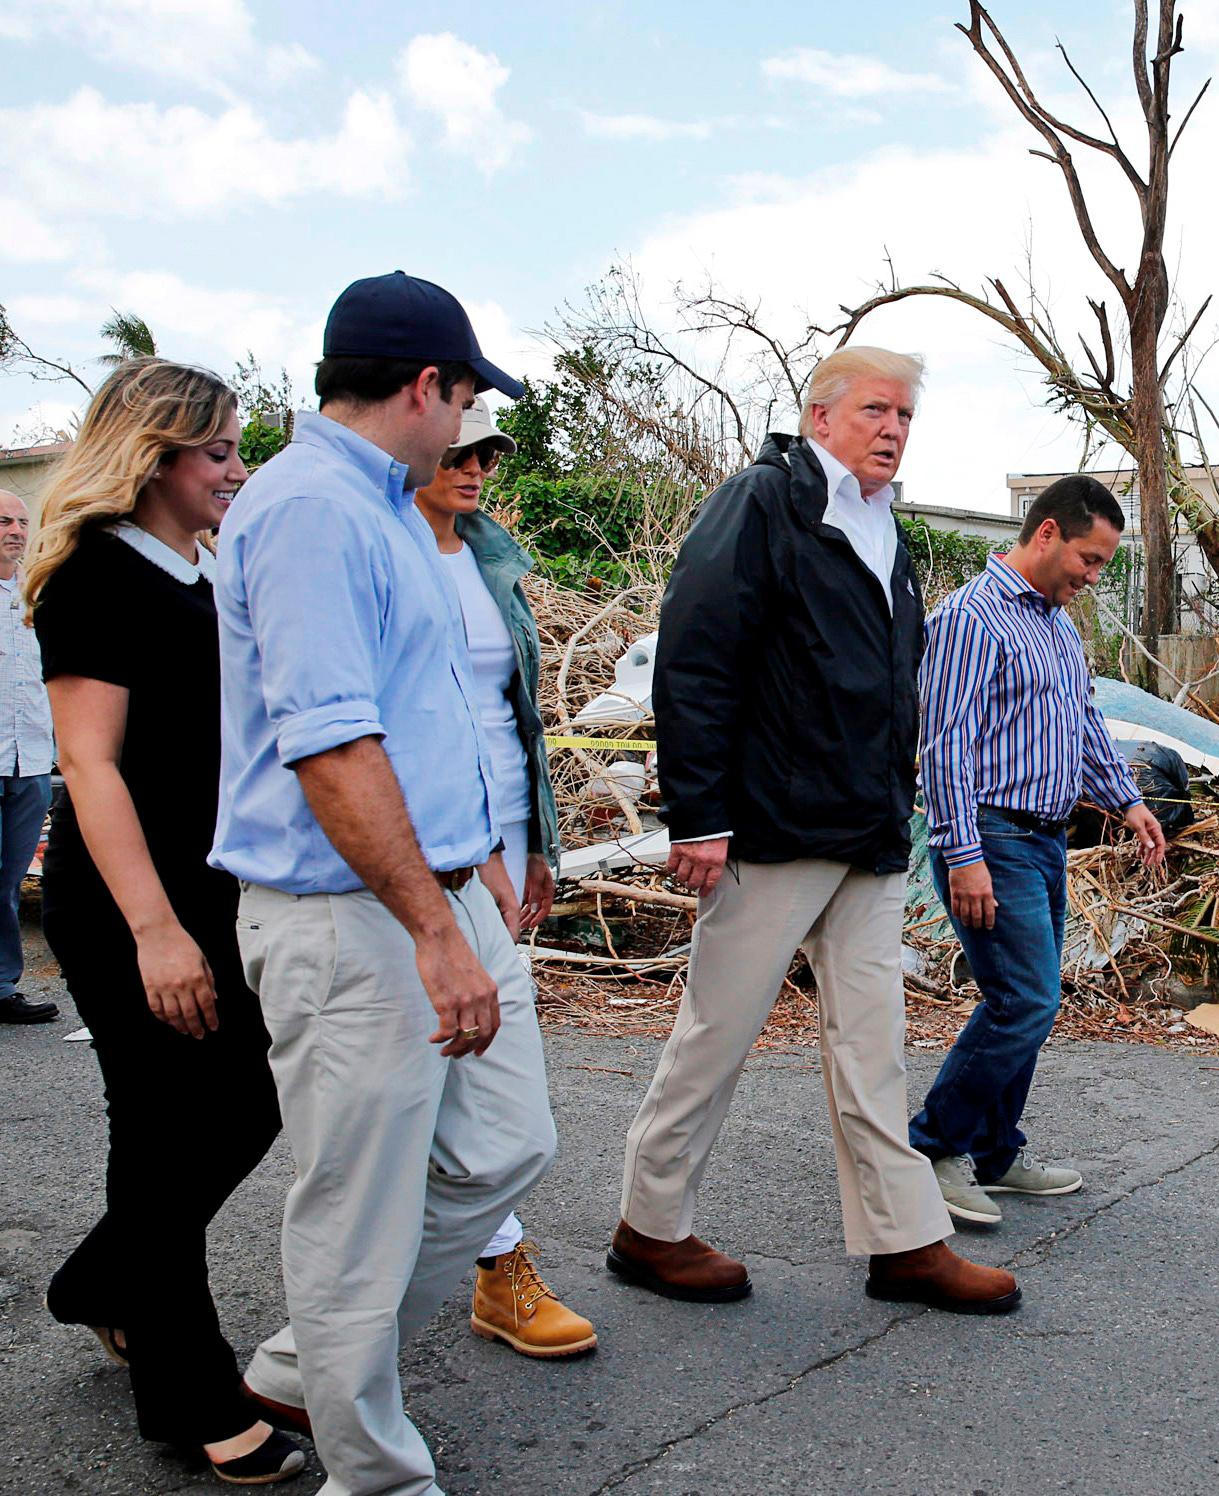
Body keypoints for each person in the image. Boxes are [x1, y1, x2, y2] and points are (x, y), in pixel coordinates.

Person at [214, 272, 558, 1494]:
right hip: (353, 911)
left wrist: (478, 891)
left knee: (508, 1143)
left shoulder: (387, 511)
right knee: (354, 1215)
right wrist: (434, 927)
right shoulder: (312, 510)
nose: (465, 423)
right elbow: (329, 743)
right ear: (427, 387)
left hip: (442, 890)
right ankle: (375, 1473)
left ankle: (311, 1364)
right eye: (463, 396)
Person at [608, 346, 1019, 1315]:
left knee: (872, 1045)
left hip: (867, 831)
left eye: (906, 414)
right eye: (876, 408)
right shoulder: (763, 503)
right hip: (771, 828)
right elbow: (697, 658)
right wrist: (698, 814)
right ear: (819, 414)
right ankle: (647, 1225)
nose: (892, 427)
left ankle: (904, 1241)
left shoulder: (885, 528)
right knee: (716, 1033)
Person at [30, 361, 301, 1485]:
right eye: (221, 452)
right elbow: (89, 764)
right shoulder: (95, 575)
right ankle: (190, 1388)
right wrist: (153, 929)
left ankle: (103, 1280)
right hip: (132, 898)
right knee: (159, 1125)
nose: (237, 470)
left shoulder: (200, 567)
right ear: (155, 457)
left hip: (219, 886)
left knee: (246, 1097)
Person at [913, 474, 1167, 1225]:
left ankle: (994, 1151)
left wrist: (1126, 800)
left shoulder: (1057, 625)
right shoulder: (971, 618)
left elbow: (1083, 727)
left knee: (1028, 1001)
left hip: (1046, 839)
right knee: (1025, 1000)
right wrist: (961, 853)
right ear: (1048, 532)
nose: (1093, 577)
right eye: (1088, 559)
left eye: (1103, 565)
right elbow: (944, 745)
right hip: (991, 835)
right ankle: (931, 1148)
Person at [410, 396, 596, 1359]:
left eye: (487, 451)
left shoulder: (489, 559)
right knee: (444, 1073)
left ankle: (487, 1266)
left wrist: (532, 844)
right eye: (458, 448)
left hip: (499, 835)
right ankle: (481, 1265)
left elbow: (513, 718)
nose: (476, 465)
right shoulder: (389, 553)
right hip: (423, 848)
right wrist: (474, 851)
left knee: (476, 1068)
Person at [0, 488, 58, 1025]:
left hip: (31, 758)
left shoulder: (40, 591)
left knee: (6, 878)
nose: (17, 530)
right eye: (4, 520)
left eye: (23, 521)